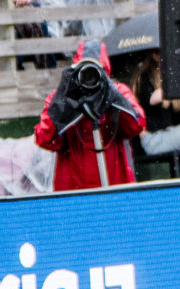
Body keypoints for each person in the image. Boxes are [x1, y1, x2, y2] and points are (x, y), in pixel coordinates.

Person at [34, 39, 145, 190]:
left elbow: (136, 125)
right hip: (75, 189)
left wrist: (111, 95)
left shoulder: (118, 92)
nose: (89, 78)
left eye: (95, 71)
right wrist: (64, 99)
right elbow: (44, 138)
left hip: (115, 185)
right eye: (84, 71)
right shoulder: (62, 98)